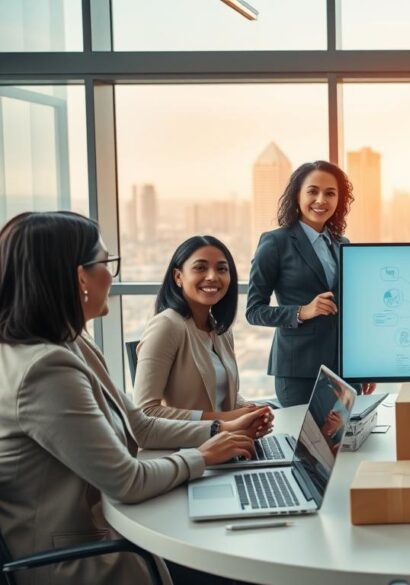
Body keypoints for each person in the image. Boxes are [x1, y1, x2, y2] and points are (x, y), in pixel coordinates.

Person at [0, 212, 271, 584]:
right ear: (81, 276)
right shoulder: (45, 371)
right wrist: (204, 456)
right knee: (244, 568)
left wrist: (216, 430)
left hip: (110, 531)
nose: (112, 275)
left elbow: (138, 425)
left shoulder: (73, 341)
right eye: (106, 263)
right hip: (81, 556)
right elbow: (127, 481)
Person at [246, 160, 374, 407]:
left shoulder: (342, 243)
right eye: (312, 191)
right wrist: (303, 311)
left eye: (330, 193)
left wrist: (363, 365)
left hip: (345, 371)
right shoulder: (275, 243)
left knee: (349, 442)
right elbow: (254, 311)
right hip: (299, 372)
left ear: (339, 200)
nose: (321, 200)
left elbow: (353, 312)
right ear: (297, 195)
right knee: (307, 444)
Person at [134, 235, 262, 421]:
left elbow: (220, 393)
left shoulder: (220, 330)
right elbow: (145, 411)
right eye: (200, 268)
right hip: (189, 447)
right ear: (178, 276)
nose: (212, 277)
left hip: (226, 442)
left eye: (222, 269)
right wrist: (225, 420)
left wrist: (249, 410)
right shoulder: (166, 326)